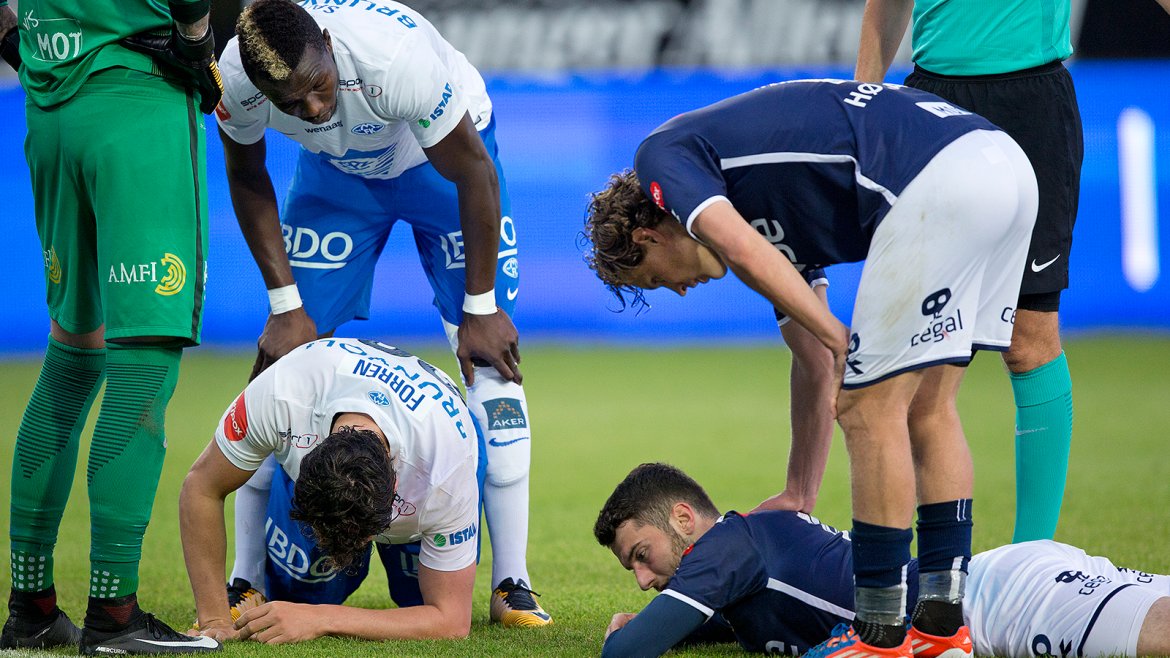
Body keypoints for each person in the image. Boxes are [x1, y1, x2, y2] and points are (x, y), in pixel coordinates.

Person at [582, 78, 1039, 658]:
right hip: (1004, 168)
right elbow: (812, 361)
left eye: (653, 277)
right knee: (929, 407)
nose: (677, 290)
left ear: (649, 234)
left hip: (937, 179)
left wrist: (841, 339)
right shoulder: (768, 214)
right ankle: (942, 624)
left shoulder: (662, 157)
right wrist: (800, 490)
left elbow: (746, 256)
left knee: (868, 408)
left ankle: (879, 635)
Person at [213, 0, 548, 626]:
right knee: (276, 369)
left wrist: (480, 308)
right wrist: (284, 306)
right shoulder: (234, 77)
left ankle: (513, 583)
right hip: (338, 177)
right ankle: (245, 579)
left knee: (492, 364)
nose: (313, 108)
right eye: (291, 104)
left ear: (328, 43)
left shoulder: (394, 59)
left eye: (318, 86)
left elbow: (475, 171)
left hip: (441, 165)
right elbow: (246, 174)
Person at [2, 0, 222, 653]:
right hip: (137, 97)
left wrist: (17, 45)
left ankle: (32, 609)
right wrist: (196, 37)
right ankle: (113, 616)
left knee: (72, 356)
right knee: (143, 367)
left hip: (49, 108)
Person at [853, 0, 1083, 546]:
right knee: (923, 366)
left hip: (1033, 104)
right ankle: (940, 573)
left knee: (1029, 339)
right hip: (932, 107)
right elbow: (886, 7)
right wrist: (863, 110)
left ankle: (1033, 554)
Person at [595, 463, 1170, 658]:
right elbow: (727, 621)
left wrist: (637, 632)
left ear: (684, 518)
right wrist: (662, 624)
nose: (643, 580)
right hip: (993, 583)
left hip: (994, 604)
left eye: (642, 555)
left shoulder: (727, 547)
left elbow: (625, 653)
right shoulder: (743, 560)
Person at [182, 337, 499, 642]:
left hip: (438, 442)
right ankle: (250, 581)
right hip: (317, 400)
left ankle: (512, 584)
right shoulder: (283, 392)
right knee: (300, 591)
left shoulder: (447, 470)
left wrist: (320, 619)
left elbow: (451, 620)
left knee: (418, 603)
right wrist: (214, 621)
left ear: (396, 489)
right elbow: (201, 486)